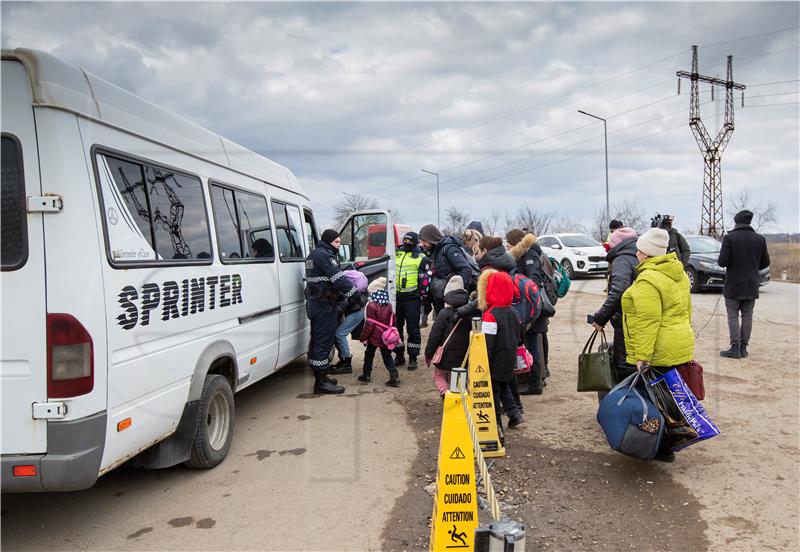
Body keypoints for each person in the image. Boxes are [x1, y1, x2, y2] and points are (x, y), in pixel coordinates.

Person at [621, 227, 694, 462]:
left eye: (639, 250)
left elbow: (647, 321)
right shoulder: (679, 274)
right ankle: (669, 442)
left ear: (646, 253)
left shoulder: (648, 280)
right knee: (668, 395)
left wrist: (642, 355)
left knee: (654, 399)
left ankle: (660, 447)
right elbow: (687, 310)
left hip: (659, 348)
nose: (637, 254)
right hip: (678, 343)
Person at [304, 229, 357, 394]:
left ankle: (322, 377)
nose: (339, 246)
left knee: (317, 341)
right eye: (336, 242)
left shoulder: (313, 255)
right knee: (323, 342)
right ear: (328, 241)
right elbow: (338, 279)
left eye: (340, 243)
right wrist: (355, 295)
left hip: (315, 303)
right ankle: (321, 383)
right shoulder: (325, 256)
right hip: (323, 305)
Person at [717, 209, 770, 359]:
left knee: (732, 315)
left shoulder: (729, 238)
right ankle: (744, 348)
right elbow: (765, 262)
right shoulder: (760, 239)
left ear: (736, 222)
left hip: (733, 284)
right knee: (748, 315)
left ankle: (735, 348)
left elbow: (722, 262)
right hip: (752, 284)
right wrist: (752, 267)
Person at [591, 227, 639, 384]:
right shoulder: (638, 255)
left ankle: (628, 403)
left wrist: (600, 318)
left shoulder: (622, 260)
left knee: (624, 365)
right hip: (641, 319)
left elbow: (619, 292)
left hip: (627, 322)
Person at [479, 269, 524, 430]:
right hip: (509, 357)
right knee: (504, 386)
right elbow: (520, 336)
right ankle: (514, 414)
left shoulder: (490, 315)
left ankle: (496, 424)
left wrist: (483, 362)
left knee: (494, 391)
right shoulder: (513, 311)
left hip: (495, 360)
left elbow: (487, 343)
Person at [506, 229, 549, 395]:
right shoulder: (527, 253)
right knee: (533, 343)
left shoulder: (529, 255)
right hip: (531, 304)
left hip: (532, 306)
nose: (507, 246)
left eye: (509, 243)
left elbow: (533, 282)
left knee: (532, 344)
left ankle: (535, 384)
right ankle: (537, 380)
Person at [425, 276, 471, 397]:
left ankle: (446, 394)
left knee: (438, 376)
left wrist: (428, 354)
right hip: (463, 357)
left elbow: (434, 336)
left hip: (445, 356)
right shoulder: (470, 314)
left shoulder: (444, 313)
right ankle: (457, 402)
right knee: (456, 381)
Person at [419, 224, 476, 313]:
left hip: (451, 301)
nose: (422, 244)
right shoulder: (435, 250)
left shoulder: (449, 248)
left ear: (431, 238)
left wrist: (456, 293)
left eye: (424, 241)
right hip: (440, 298)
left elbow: (466, 269)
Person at [394, 232, 430, 370]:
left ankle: (413, 358)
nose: (407, 243)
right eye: (405, 241)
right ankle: (399, 355)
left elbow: (425, 281)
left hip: (412, 299)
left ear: (415, 242)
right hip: (396, 297)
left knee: (413, 329)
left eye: (410, 241)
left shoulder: (422, 258)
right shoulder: (396, 254)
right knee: (396, 329)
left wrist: (423, 298)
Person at [358, 278, 400, 387]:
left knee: (369, 355)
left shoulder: (371, 306)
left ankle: (366, 375)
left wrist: (363, 337)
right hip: (385, 336)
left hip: (374, 337)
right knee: (387, 356)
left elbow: (369, 325)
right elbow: (394, 320)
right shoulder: (388, 305)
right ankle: (394, 376)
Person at [330, 268, 368, 375]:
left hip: (356, 311)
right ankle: (343, 360)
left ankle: (346, 363)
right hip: (357, 310)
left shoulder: (344, 287)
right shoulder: (353, 282)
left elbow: (341, 307)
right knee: (338, 334)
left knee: (339, 334)